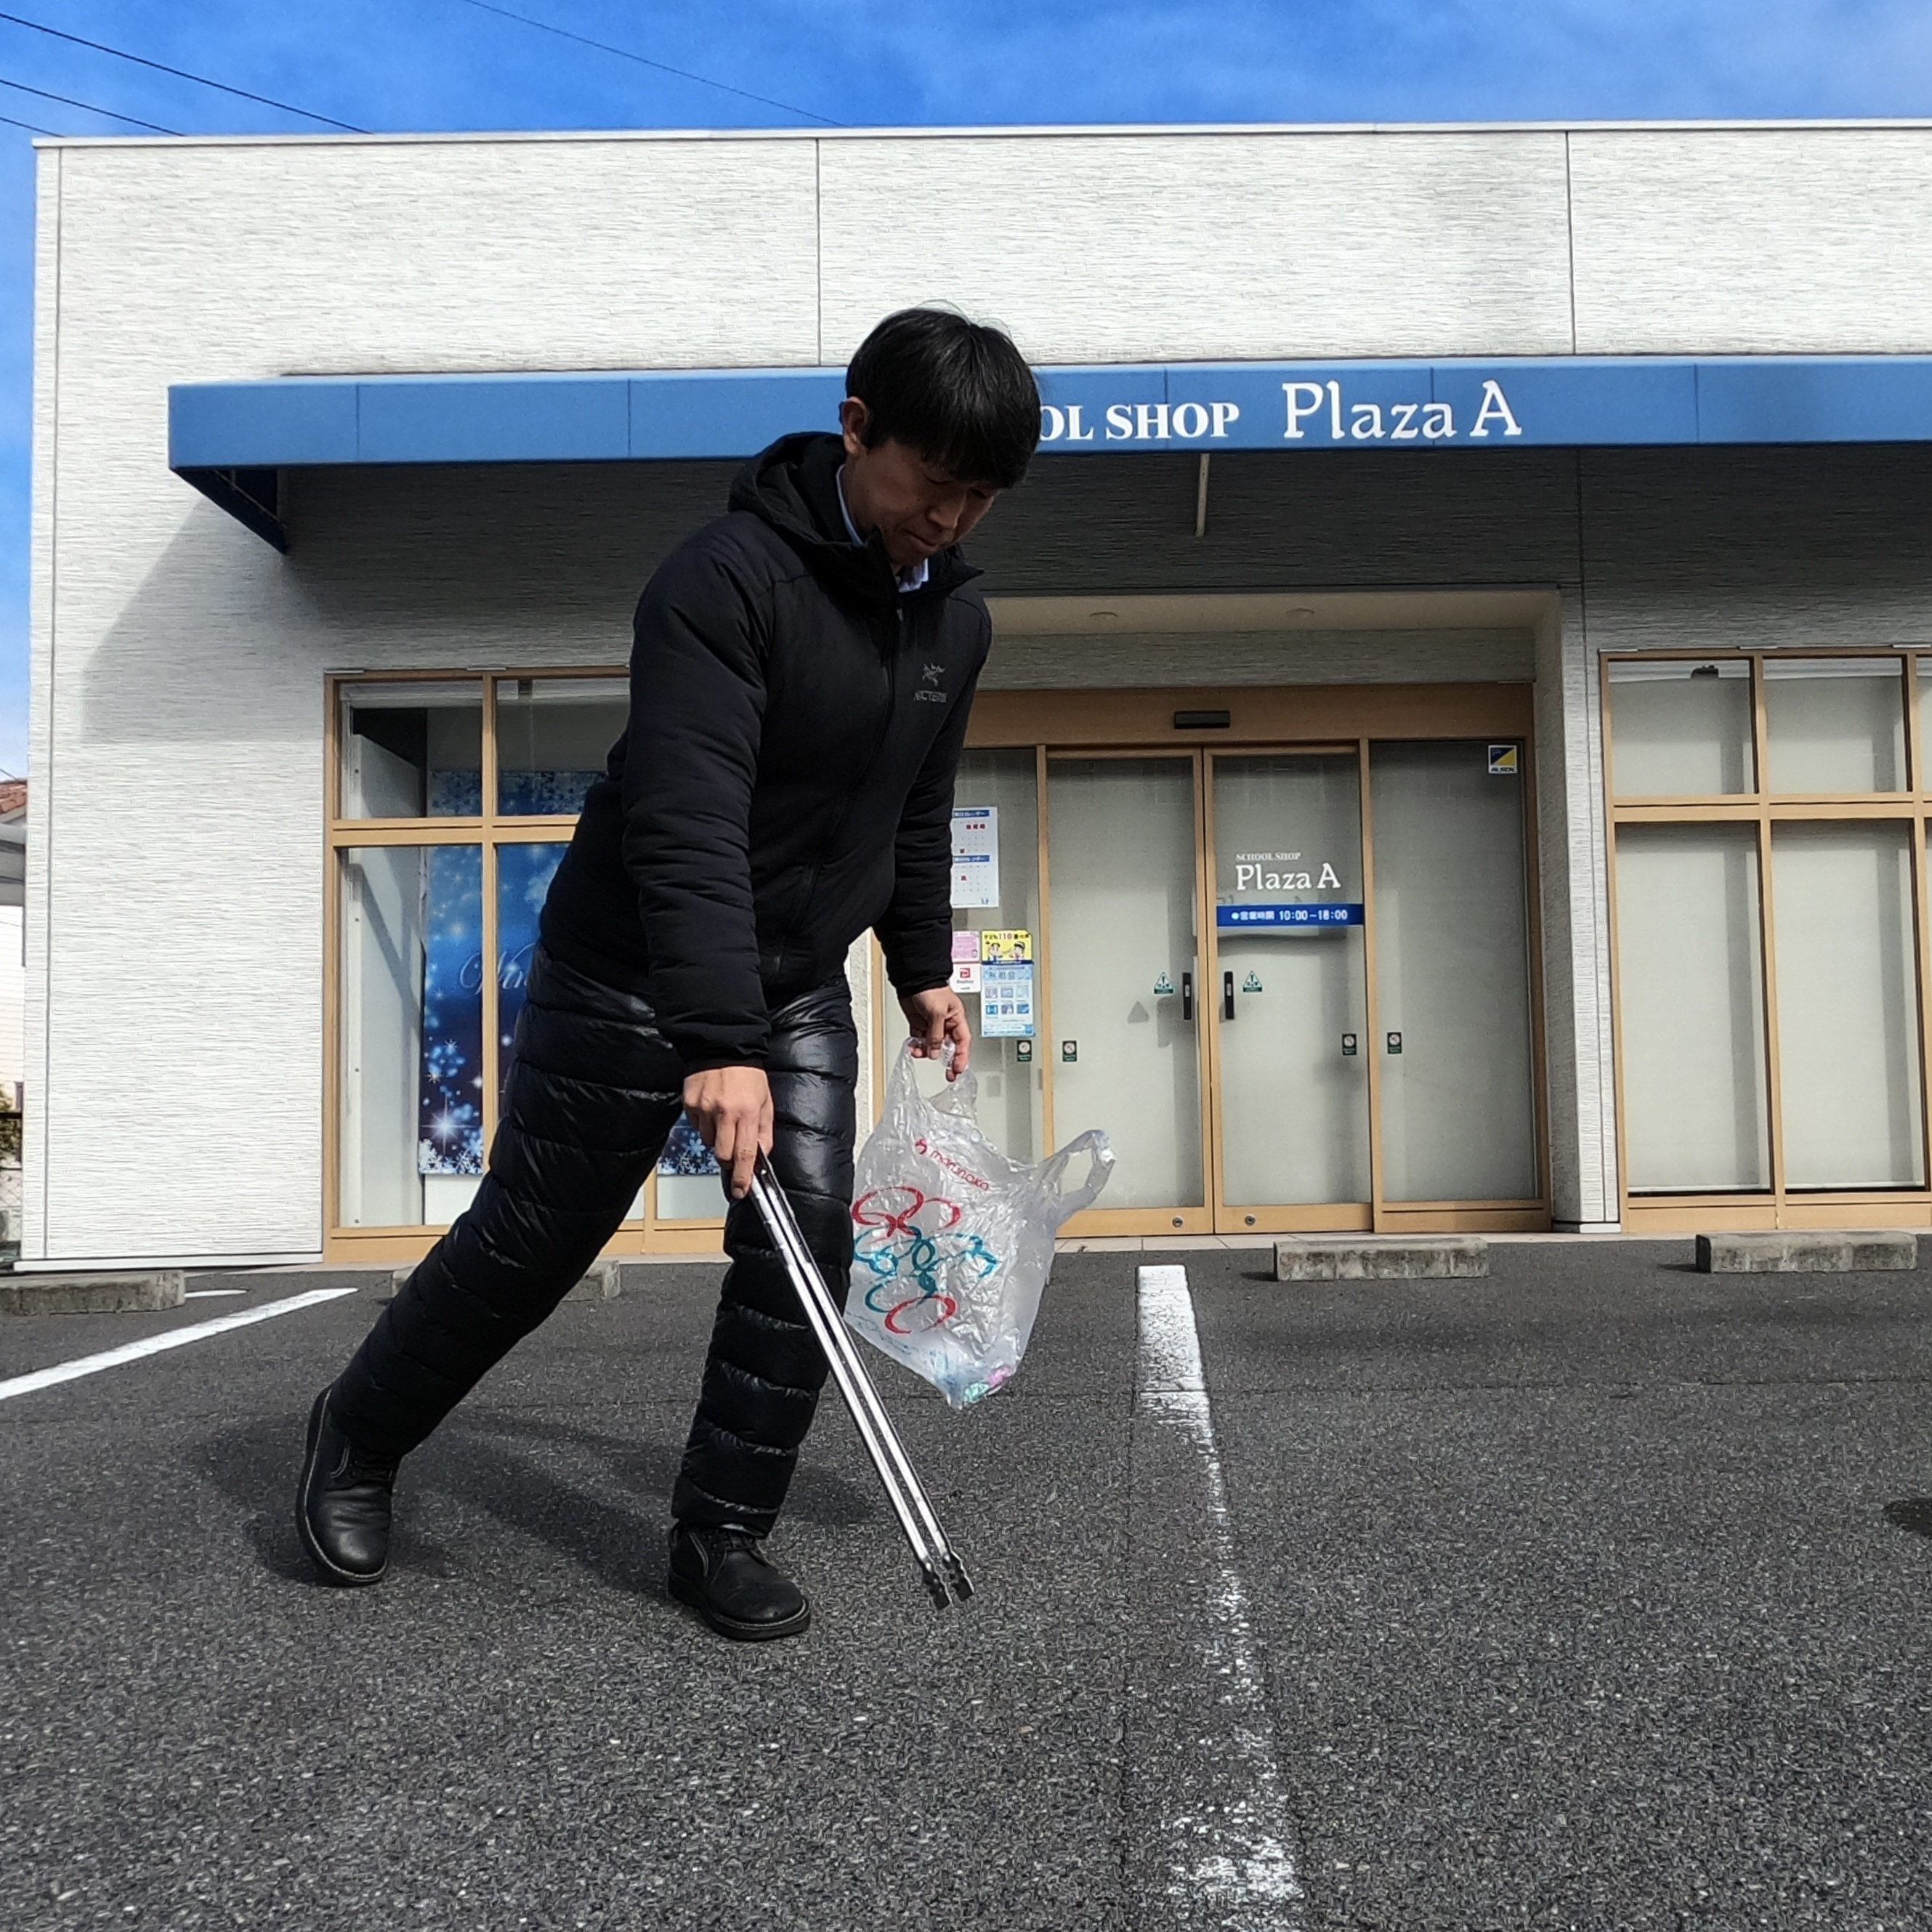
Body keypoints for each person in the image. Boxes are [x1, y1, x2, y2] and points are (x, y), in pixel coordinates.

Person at [296, 308, 1040, 1641]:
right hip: (631, 965)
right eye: (937, 485)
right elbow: (688, 815)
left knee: (805, 1238)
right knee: (536, 1241)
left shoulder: (955, 623)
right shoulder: (724, 581)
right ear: (857, 429)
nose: (955, 519)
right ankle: (356, 1430)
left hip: (800, 980)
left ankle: (719, 1530)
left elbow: (913, 807)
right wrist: (716, 1036)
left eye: (982, 499)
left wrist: (922, 963)